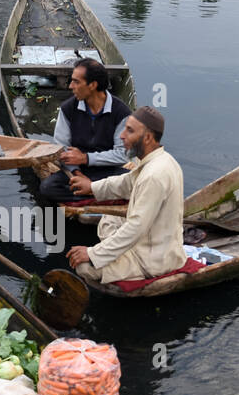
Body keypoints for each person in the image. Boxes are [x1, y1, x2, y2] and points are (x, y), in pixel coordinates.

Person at [65, 107, 186, 284]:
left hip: (152, 260)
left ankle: (128, 263)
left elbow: (136, 227)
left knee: (84, 267)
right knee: (108, 217)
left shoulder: (154, 175)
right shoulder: (162, 160)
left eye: (129, 130)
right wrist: (91, 186)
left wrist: (92, 253)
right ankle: (115, 252)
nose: (122, 136)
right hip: (155, 242)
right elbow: (126, 182)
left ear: (147, 137)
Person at [38, 57, 132, 202]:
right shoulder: (68, 109)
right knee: (48, 188)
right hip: (79, 170)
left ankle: (89, 194)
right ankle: (103, 196)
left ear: (92, 85)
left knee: (136, 184)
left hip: (108, 171)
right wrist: (77, 173)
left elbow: (122, 155)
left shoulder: (121, 112)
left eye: (76, 81)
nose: (70, 86)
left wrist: (86, 158)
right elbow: (61, 149)